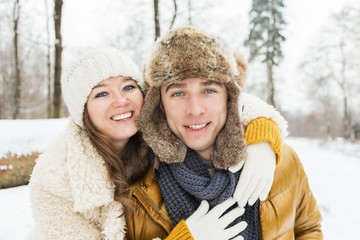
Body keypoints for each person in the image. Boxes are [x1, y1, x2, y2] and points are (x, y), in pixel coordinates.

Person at [29, 46, 287, 240]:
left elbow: (234, 105)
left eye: (128, 87)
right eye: (102, 93)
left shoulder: (153, 125)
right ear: (82, 112)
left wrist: (262, 139)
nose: (120, 101)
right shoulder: (55, 180)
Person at [128, 26, 323, 240]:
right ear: (160, 104)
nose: (195, 109)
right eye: (178, 93)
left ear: (229, 98)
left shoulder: (283, 160)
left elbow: (308, 229)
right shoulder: (135, 189)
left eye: (209, 90)